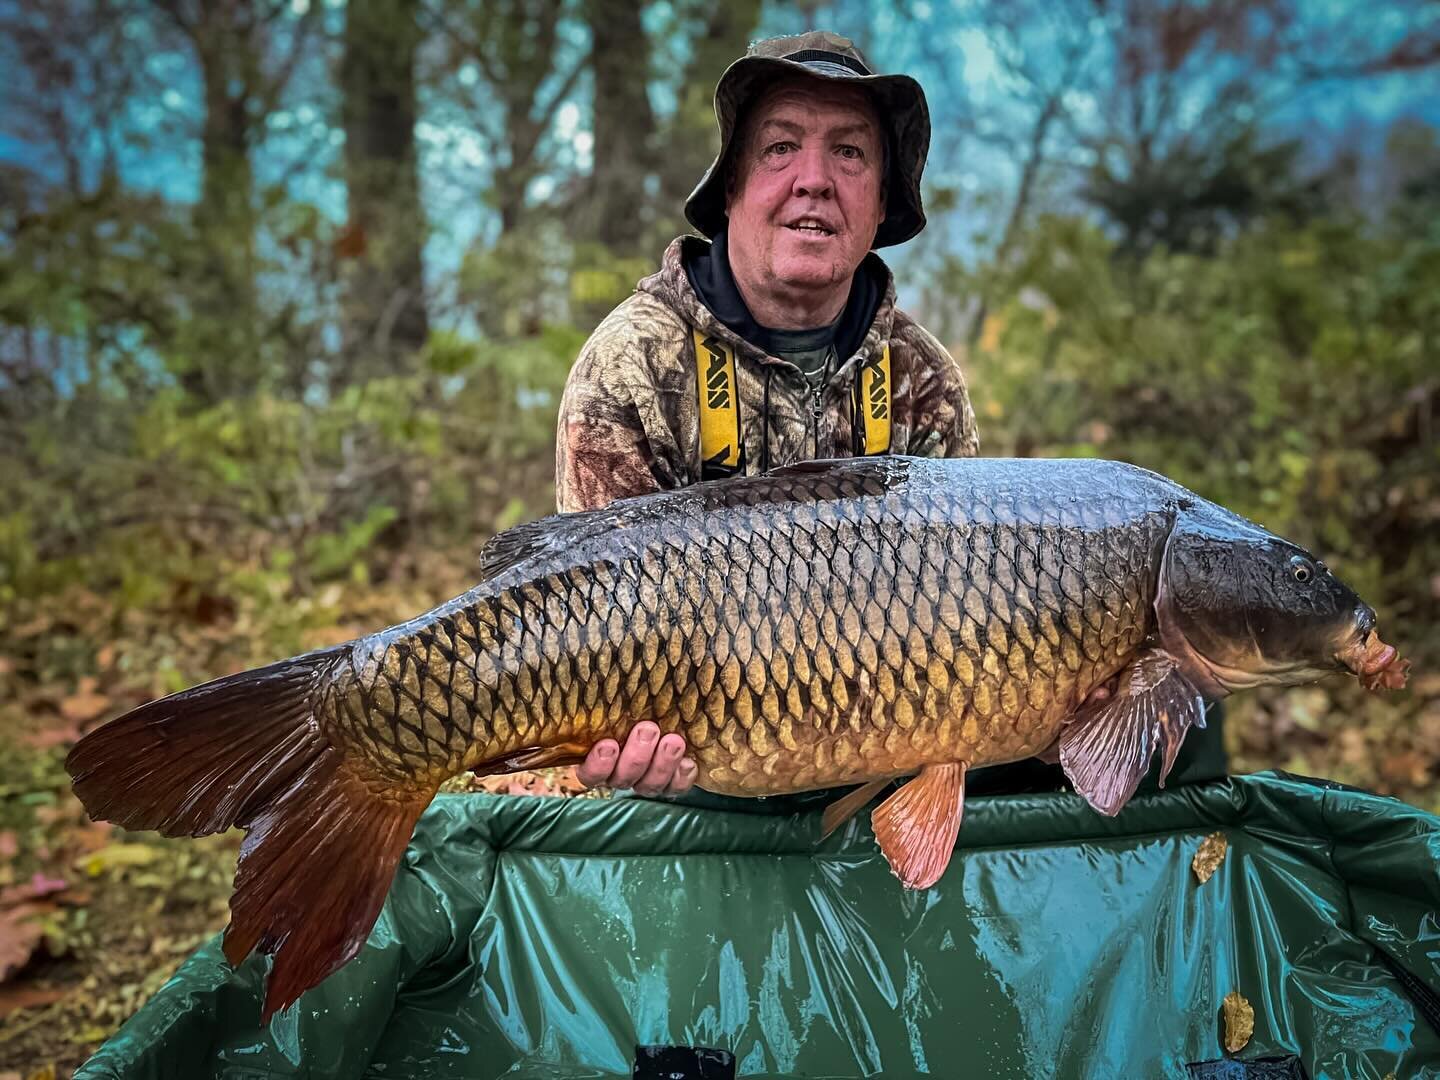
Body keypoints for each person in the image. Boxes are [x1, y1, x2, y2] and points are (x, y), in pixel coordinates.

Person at [555, 31, 977, 797]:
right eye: (781, 148)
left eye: (850, 153)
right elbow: (586, 619)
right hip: (690, 776)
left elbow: (964, 624)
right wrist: (618, 754)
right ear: (731, 190)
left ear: (882, 202)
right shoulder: (633, 365)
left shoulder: (922, 380)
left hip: (878, 755)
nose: (815, 180)